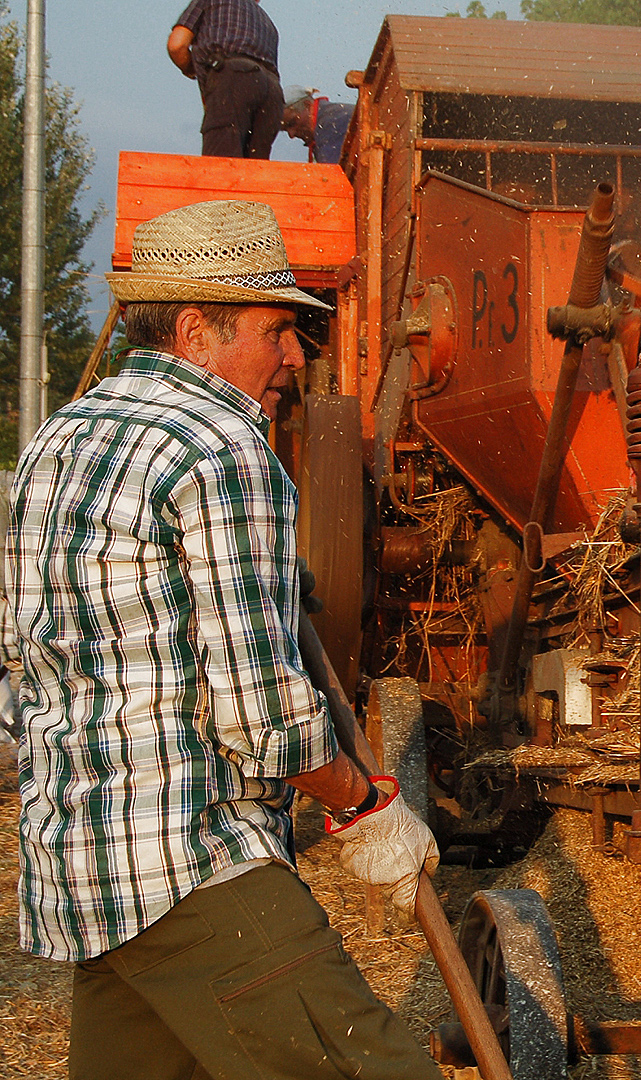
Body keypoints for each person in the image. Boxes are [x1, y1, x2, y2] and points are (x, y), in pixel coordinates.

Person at [0, 200, 443, 1080]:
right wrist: (362, 805)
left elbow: (26, 659)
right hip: (191, 864)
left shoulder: (60, 435)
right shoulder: (223, 444)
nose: (292, 356)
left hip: (86, 863)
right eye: (276, 328)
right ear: (199, 328)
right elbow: (260, 713)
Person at [167, 0, 283, 158]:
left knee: (219, 165)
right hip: (274, 94)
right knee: (255, 171)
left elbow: (177, 44)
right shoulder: (268, 24)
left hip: (235, 79)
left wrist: (191, 70)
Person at [281, 85, 356, 165]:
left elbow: (331, 174)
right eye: (285, 130)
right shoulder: (332, 114)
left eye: (292, 123)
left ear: (308, 105)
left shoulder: (331, 124)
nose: (291, 134)